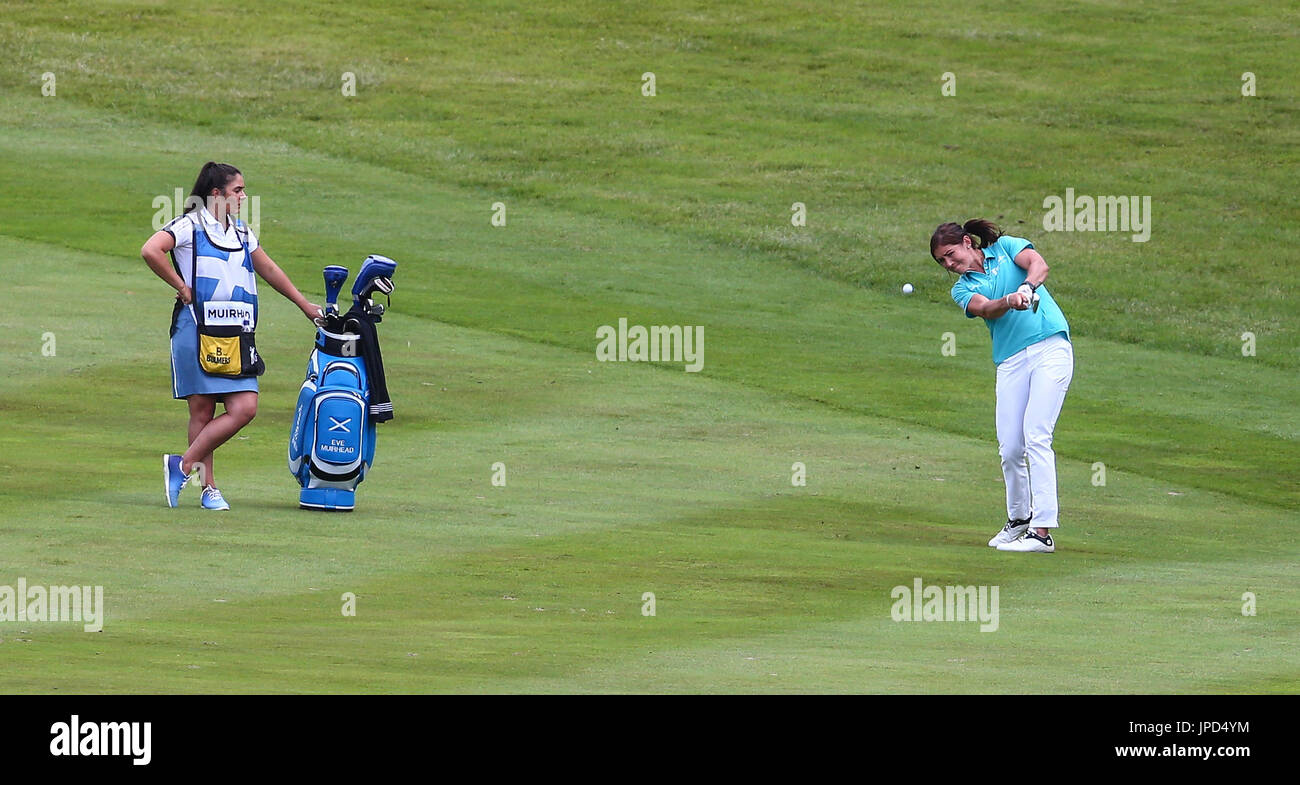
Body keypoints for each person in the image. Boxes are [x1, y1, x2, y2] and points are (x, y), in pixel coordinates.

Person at [141, 162, 321, 510]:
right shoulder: (189, 225)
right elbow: (151, 249)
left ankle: (181, 465)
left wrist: (303, 305)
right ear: (216, 194)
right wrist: (181, 286)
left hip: (237, 333)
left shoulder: (241, 232)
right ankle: (208, 489)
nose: (243, 196)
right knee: (203, 410)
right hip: (197, 329)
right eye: (237, 190)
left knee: (245, 407)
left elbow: (268, 268)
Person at [930, 219, 1074, 553]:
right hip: (1011, 361)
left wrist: (1027, 288)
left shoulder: (1007, 247)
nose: (948, 264)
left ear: (968, 242)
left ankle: (1042, 532)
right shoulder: (961, 289)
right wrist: (1010, 300)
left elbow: (1039, 265)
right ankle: (1020, 519)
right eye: (942, 261)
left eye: (950, 254)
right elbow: (986, 309)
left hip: (1050, 348)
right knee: (1010, 448)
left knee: (1036, 435)